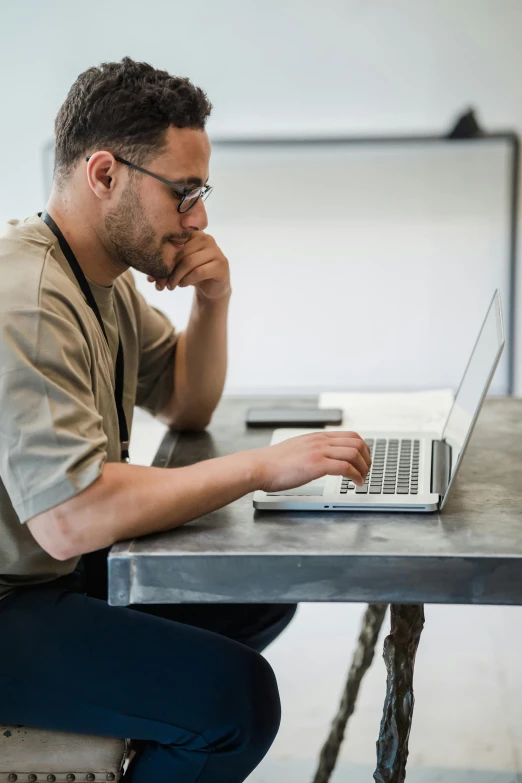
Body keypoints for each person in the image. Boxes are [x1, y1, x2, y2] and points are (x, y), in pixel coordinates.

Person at [0, 57, 371, 782]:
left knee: (253, 595)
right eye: (184, 192)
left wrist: (213, 298)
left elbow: (185, 401)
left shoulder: (98, 279)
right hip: (15, 597)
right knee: (235, 700)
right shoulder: (29, 296)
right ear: (104, 174)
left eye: (201, 193)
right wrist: (264, 466)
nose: (198, 217)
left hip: (51, 576)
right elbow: (69, 519)